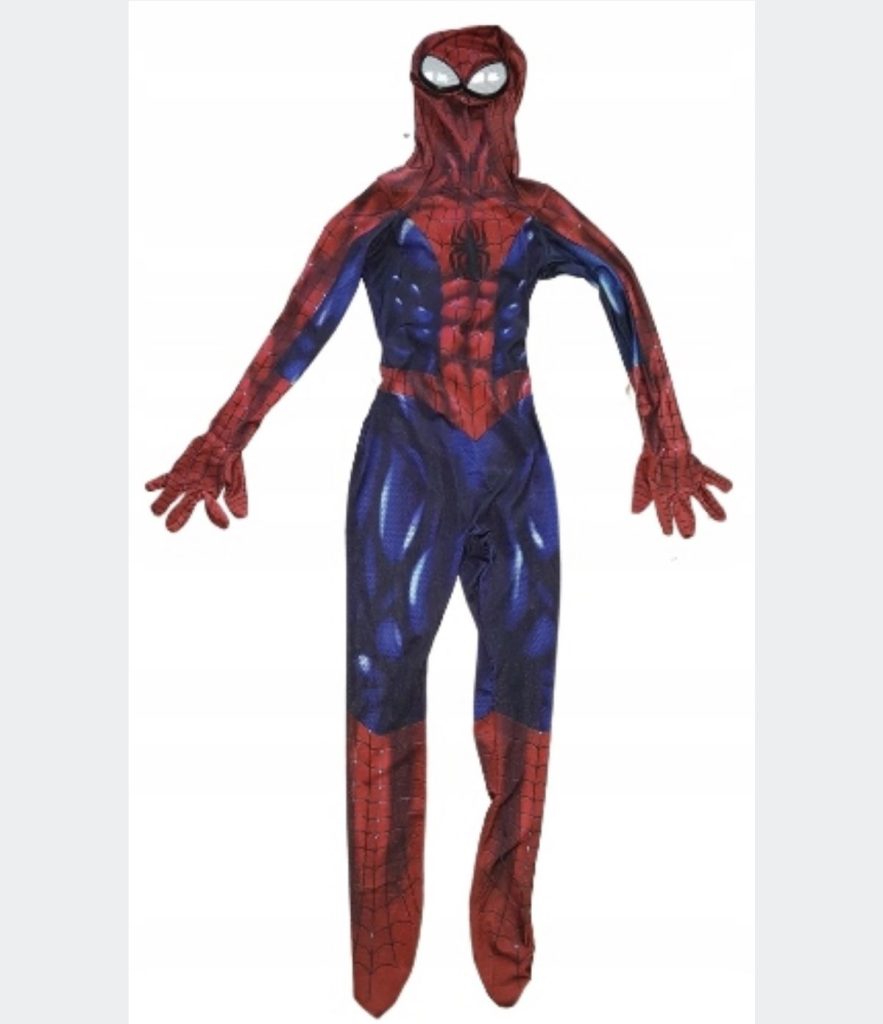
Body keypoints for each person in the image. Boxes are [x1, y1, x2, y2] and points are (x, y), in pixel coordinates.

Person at [145, 24, 732, 1017]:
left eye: (483, 81)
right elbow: (304, 318)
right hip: (407, 454)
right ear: (414, 87)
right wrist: (224, 435)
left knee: (525, 692)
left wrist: (665, 436)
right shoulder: (383, 208)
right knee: (380, 691)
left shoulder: (536, 213)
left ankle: (503, 928)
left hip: (511, 456)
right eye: (443, 79)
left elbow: (619, 281)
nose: (462, 101)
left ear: (514, 90)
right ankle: (379, 956)